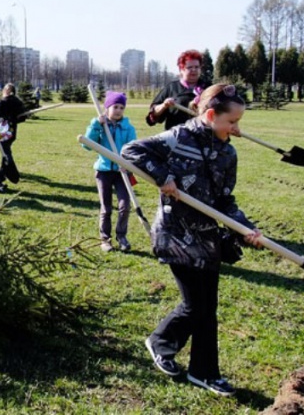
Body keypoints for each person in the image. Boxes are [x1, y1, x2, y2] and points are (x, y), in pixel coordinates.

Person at [121, 83, 262, 397]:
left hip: (208, 238)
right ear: (211, 115)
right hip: (176, 235)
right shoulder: (178, 137)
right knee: (199, 306)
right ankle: (205, 372)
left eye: (239, 122)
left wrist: (245, 228)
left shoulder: (227, 153)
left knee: (202, 307)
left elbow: (226, 201)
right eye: (232, 122)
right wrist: (162, 176)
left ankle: (166, 346)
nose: (237, 129)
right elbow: (131, 151)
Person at [82, 91, 136, 252]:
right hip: (104, 171)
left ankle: (122, 236)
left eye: (121, 107)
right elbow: (87, 145)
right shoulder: (100, 125)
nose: (118, 110)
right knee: (106, 208)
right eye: (115, 107)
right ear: (107, 108)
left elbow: (133, 149)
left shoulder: (127, 128)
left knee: (124, 205)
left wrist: (127, 163)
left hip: (122, 172)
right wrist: (96, 125)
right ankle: (105, 239)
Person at [146, 49, 209, 130]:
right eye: (189, 67)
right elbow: (153, 116)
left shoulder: (208, 88)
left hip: (203, 137)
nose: (194, 70)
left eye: (197, 67)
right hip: (176, 138)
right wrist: (164, 105)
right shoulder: (171, 87)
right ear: (181, 70)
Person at [0, 83, 26, 174]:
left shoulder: (2, 102)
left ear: (7, 91)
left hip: (3, 130)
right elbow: (23, 117)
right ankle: (3, 169)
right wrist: (14, 120)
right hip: (12, 130)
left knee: (5, 151)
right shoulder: (18, 102)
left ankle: (10, 168)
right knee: (6, 149)